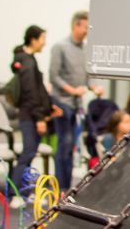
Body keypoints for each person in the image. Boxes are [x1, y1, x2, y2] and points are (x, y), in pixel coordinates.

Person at [48, 12, 96, 186]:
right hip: (62, 103)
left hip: (77, 104)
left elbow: (84, 76)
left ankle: (66, 187)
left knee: (72, 147)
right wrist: (72, 90)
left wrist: (92, 87)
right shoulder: (60, 47)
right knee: (65, 145)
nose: (87, 31)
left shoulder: (84, 50)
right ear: (76, 25)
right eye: (85, 27)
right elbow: (54, 76)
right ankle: (61, 187)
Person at [10, 27, 58, 178]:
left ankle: (22, 190)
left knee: (29, 153)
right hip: (29, 116)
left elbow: (39, 90)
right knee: (28, 153)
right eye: (42, 39)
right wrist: (39, 118)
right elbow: (31, 93)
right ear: (33, 40)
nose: (44, 43)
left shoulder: (28, 60)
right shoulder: (27, 63)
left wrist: (49, 108)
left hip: (32, 114)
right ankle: (15, 193)